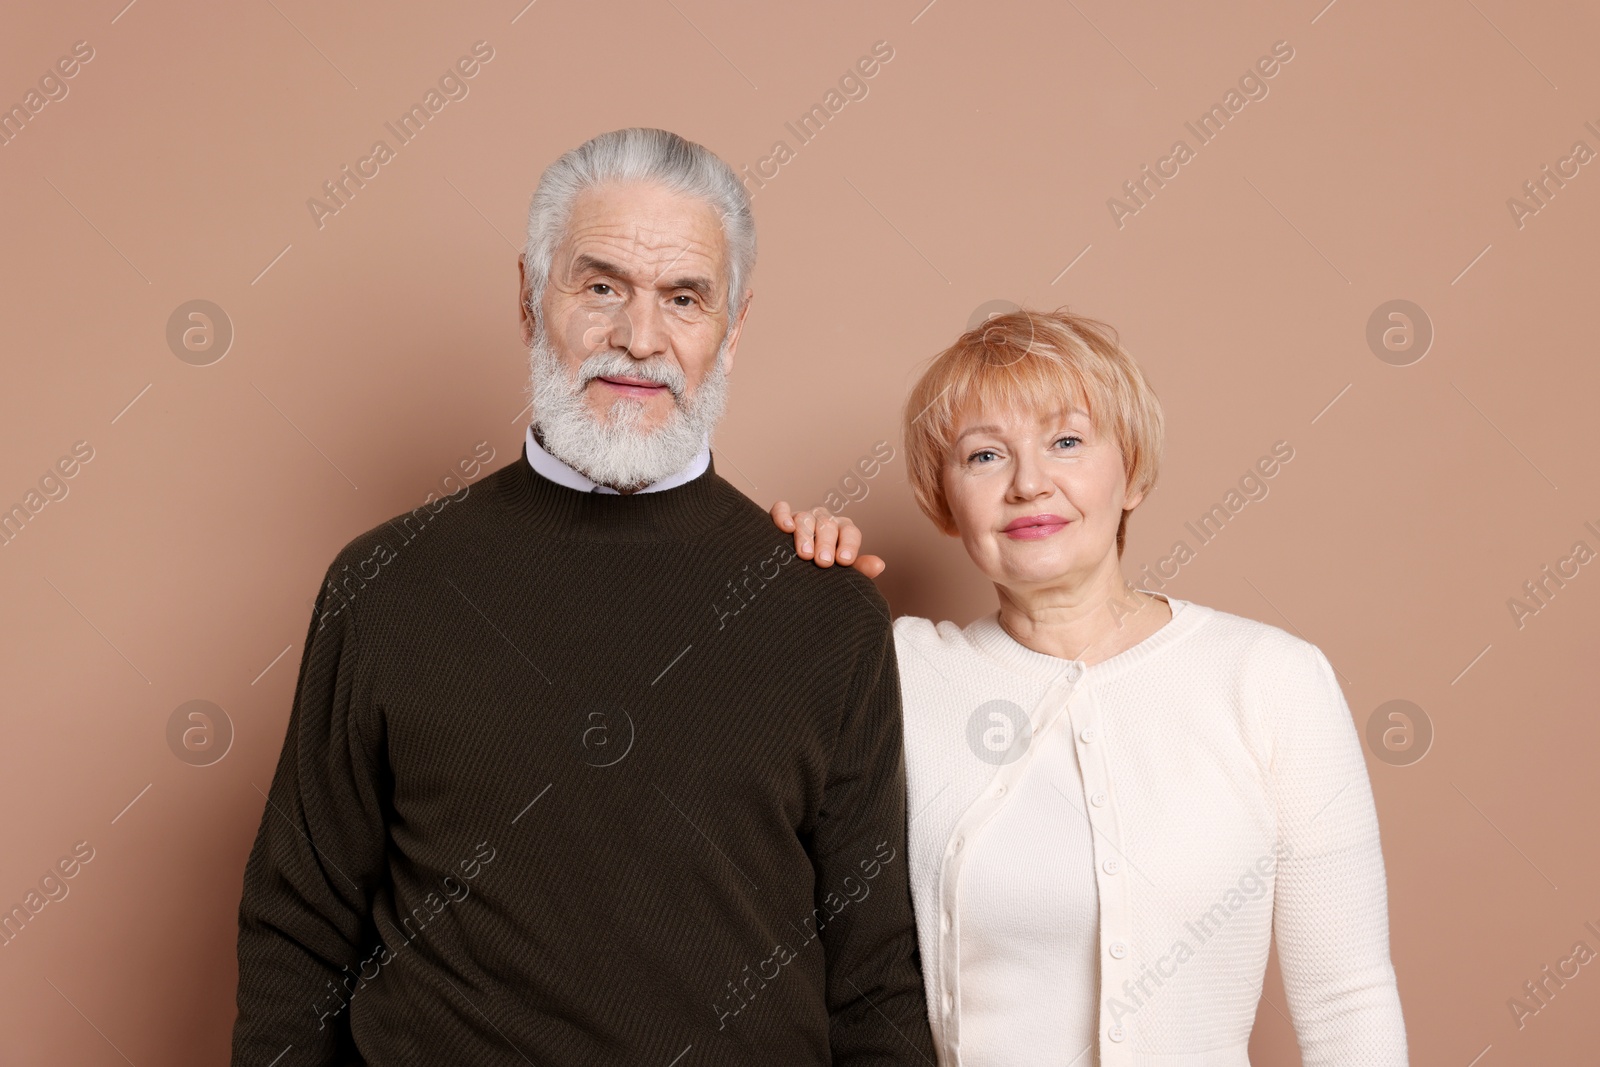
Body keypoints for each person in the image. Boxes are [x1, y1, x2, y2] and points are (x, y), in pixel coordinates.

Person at [231, 128, 936, 1066]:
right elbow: (297, 930)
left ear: (733, 326)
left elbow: (875, 981)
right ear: (528, 296)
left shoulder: (824, 613)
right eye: (600, 285)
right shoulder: (386, 585)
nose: (638, 339)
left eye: (684, 298)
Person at [771, 308, 1408, 1066]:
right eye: (983, 456)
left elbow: (1348, 1000)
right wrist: (790, 587)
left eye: (1067, 441)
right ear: (944, 502)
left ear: (1132, 470)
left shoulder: (1272, 678)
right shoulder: (895, 673)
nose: (1029, 483)